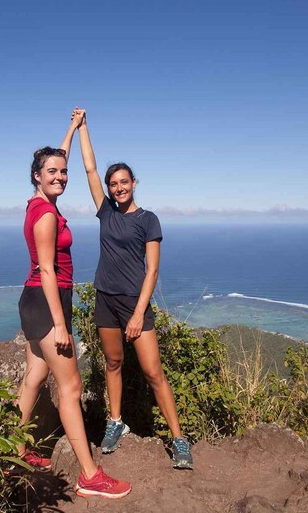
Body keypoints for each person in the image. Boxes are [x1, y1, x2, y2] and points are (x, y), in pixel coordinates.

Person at [15, 119, 131, 499]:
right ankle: (89, 475)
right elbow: (47, 269)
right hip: (48, 302)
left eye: (63, 172)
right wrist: (61, 324)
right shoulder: (47, 215)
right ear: (36, 176)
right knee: (71, 385)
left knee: (34, 377)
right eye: (52, 172)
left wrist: (73, 128)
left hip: (33, 301)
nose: (61, 176)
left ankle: (14, 451)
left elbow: (59, 158)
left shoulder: (38, 204)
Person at [72, 107, 193, 469]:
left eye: (124, 182)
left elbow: (152, 270)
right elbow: (90, 169)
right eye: (114, 184)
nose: (118, 187)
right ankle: (115, 421)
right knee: (112, 362)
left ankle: (179, 439)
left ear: (135, 183)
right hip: (105, 299)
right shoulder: (105, 212)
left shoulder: (148, 219)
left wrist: (139, 313)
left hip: (134, 303)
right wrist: (83, 128)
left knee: (154, 372)